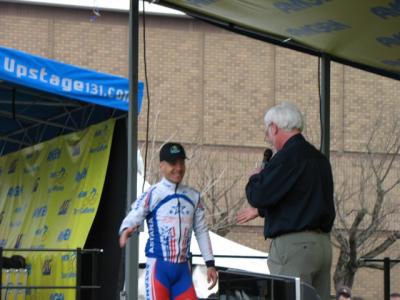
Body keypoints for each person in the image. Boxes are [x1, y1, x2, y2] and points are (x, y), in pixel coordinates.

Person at [236, 102, 336, 300]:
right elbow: (301, 198)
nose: (269, 138)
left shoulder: (286, 157)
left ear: (274, 127)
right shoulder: (319, 158)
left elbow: (258, 195)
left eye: (268, 132)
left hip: (295, 246)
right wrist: (261, 211)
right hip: (323, 245)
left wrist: (255, 177)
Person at [119, 142, 218, 300]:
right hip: (159, 269)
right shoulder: (154, 193)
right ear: (161, 166)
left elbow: (201, 230)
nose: (178, 168)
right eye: (173, 163)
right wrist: (126, 228)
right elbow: (135, 213)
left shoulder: (193, 196)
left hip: (183, 272)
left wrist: (210, 264)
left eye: (181, 163)